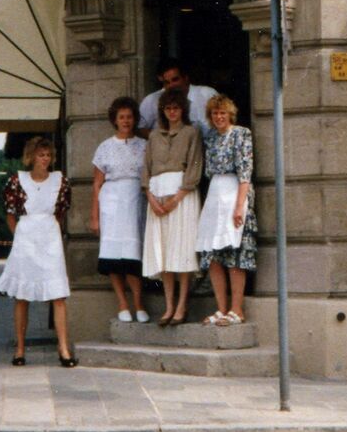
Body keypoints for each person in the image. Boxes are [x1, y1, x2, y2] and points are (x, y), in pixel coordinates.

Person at [0, 136, 78, 367]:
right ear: (31, 157)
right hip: (26, 240)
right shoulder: (16, 181)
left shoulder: (60, 181)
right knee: (22, 296)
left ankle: (64, 349)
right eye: (41, 155)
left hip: (50, 239)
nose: (45, 159)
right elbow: (10, 215)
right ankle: (20, 350)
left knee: (58, 295)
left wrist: (48, 233)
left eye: (48, 155)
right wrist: (21, 238)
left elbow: (60, 213)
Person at [141, 88, 203, 325]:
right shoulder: (154, 136)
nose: (172, 112)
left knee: (182, 250)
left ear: (183, 110)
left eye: (176, 108)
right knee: (164, 251)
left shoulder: (191, 133)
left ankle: (181, 305)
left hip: (182, 196)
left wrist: (176, 199)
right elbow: (146, 169)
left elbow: (194, 167)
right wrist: (152, 199)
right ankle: (168, 306)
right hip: (157, 195)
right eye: (168, 108)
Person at [196, 94, 257, 325]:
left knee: (234, 253)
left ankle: (236, 310)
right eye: (215, 113)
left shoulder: (241, 134)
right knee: (213, 255)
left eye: (222, 113)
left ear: (230, 114)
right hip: (215, 194)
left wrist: (239, 206)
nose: (219, 117)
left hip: (234, 192)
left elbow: (245, 172)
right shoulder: (211, 137)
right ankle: (221, 308)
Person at [91, 96, 149, 323]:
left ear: (135, 119)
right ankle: (122, 304)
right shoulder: (105, 147)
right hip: (111, 203)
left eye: (129, 117)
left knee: (133, 255)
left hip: (136, 201)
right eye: (121, 117)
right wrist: (95, 216)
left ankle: (139, 304)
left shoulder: (144, 146)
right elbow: (97, 184)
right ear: (115, 120)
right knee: (113, 255)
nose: (126, 121)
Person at [137, 57, 218, 141]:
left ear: (185, 78)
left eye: (175, 80)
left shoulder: (207, 94)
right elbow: (139, 128)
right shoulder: (152, 100)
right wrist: (162, 140)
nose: (171, 85)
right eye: (167, 82)